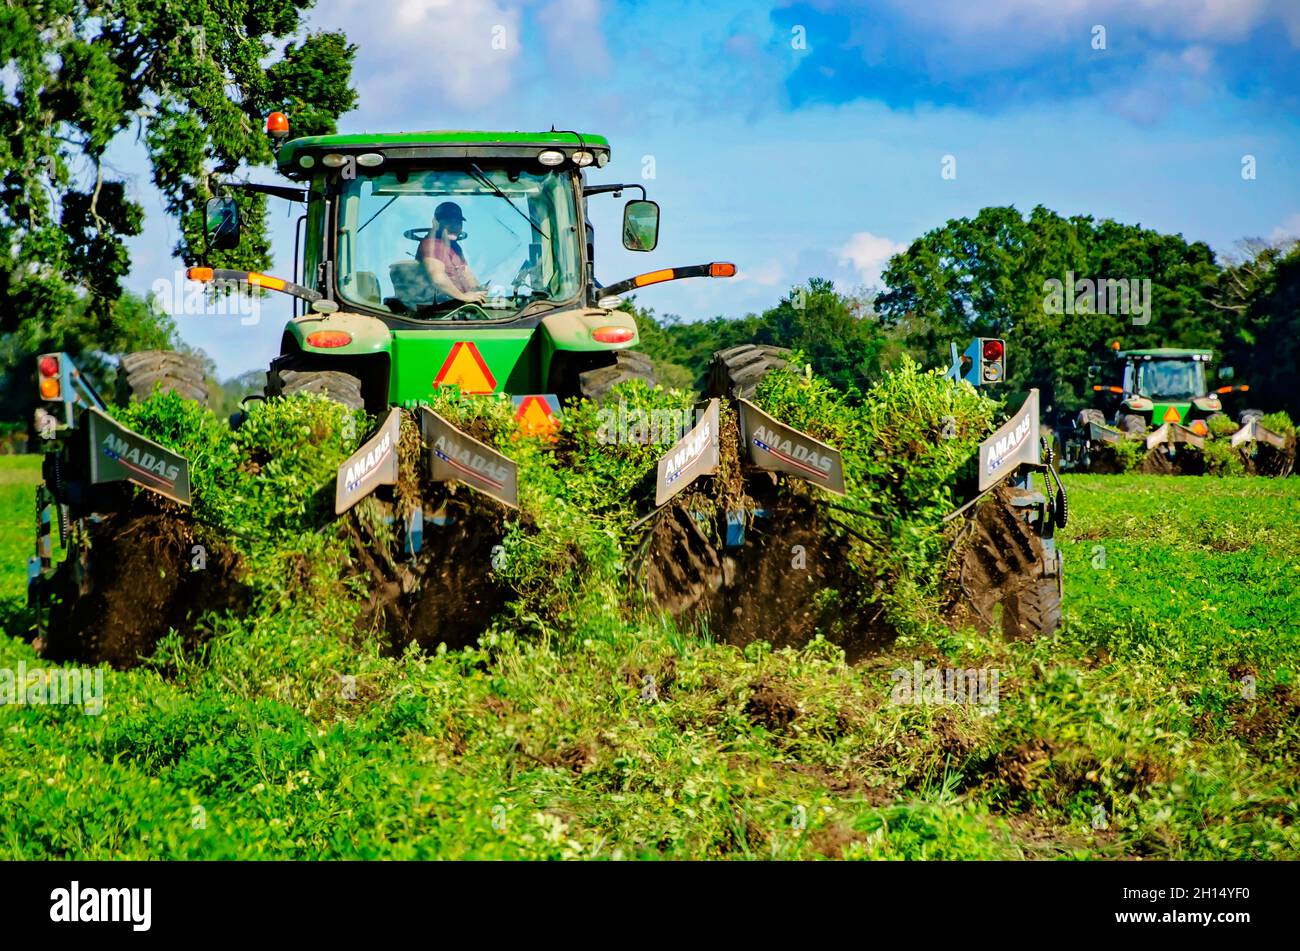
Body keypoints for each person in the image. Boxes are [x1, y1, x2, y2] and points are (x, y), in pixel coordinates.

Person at [417, 201, 486, 303]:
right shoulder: (431, 244)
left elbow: (468, 275)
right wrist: (463, 297)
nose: (454, 226)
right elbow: (438, 278)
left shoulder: (454, 247)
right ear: (435, 222)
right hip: (441, 311)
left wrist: (480, 291)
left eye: (458, 222)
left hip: (460, 306)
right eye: (449, 221)